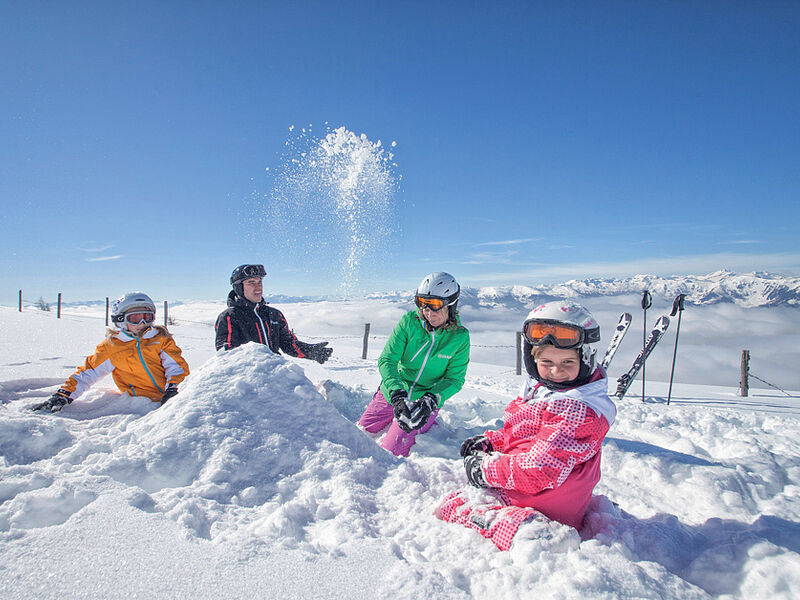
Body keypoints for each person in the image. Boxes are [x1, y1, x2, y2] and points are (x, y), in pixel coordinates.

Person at [435, 300, 617, 551]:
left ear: (584, 359)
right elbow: (524, 429)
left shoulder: (575, 409)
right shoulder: (550, 391)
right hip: (542, 492)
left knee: (453, 506)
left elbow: (538, 470)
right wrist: (493, 442)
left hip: (543, 502)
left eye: (567, 363)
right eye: (547, 363)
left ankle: (531, 534)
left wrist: (485, 470)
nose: (556, 371)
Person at [358, 272, 470, 457]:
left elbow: (454, 379)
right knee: (361, 432)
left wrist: (431, 400)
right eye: (422, 303)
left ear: (451, 305)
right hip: (394, 391)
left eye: (434, 306)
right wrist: (396, 393)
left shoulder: (459, 338)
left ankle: (429, 422)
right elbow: (387, 360)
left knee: (392, 452)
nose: (427, 312)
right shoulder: (409, 323)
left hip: (423, 401)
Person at [32, 292, 190, 412]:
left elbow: (176, 366)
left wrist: (173, 389)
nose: (142, 323)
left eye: (147, 317)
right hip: (140, 405)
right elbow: (89, 372)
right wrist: (64, 395)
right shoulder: (112, 347)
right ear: (121, 320)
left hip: (171, 399)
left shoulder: (160, 339)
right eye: (135, 318)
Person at [214, 263, 333, 364]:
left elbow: (288, 344)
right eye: (251, 282)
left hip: (275, 375)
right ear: (238, 288)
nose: (258, 287)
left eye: (259, 282)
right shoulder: (229, 317)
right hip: (247, 382)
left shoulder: (274, 315)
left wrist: (311, 352)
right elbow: (227, 355)